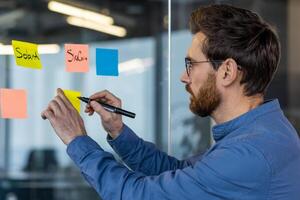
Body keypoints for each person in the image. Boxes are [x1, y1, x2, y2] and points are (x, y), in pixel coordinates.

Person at [41, 4, 300, 200]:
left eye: (191, 64)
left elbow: (138, 195)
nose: (183, 77)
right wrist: (118, 131)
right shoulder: (258, 135)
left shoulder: (249, 153)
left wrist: (77, 141)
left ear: (227, 72)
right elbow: (176, 173)